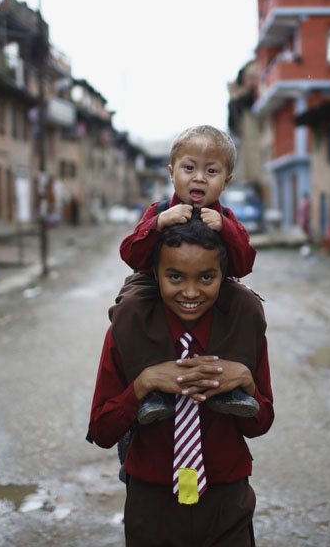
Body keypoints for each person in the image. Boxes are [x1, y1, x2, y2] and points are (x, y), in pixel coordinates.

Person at [89, 211, 274, 546]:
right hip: (152, 501)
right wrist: (142, 385)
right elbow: (101, 431)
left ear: (224, 276)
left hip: (226, 499)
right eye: (175, 277)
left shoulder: (242, 333)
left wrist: (247, 382)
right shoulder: (127, 335)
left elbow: (259, 424)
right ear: (155, 275)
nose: (191, 292)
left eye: (206, 278)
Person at [117, 124, 259, 424]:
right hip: (154, 283)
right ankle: (153, 392)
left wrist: (227, 229)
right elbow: (129, 254)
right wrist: (156, 225)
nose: (198, 177)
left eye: (211, 171)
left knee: (248, 304)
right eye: (189, 167)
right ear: (172, 173)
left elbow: (245, 264)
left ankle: (230, 387)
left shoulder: (228, 219)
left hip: (216, 287)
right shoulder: (159, 211)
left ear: (226, 180)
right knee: (128, 305)